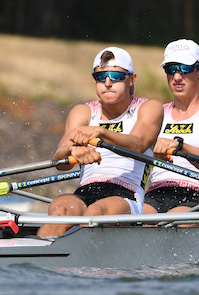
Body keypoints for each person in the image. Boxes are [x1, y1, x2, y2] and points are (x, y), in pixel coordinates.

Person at [37, 47, 163, 237]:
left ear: (131, 79)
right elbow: (59, 160)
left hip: (126, 195)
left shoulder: (149, 108)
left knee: (96, 213)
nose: (107, 83)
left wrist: (101, 133)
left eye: (115, 76)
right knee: (58, 208)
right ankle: (38, 262)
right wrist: (72, 151)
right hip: (85, 191)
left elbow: (138, 144)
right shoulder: (83, 112)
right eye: (100, 76)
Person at [143, 39, 199, 214]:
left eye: (185, 69)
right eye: (171, 70)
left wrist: (180, 146)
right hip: (156, 192)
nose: (177, 77)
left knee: (173, 221)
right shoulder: (158, 113)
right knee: (140, 219)